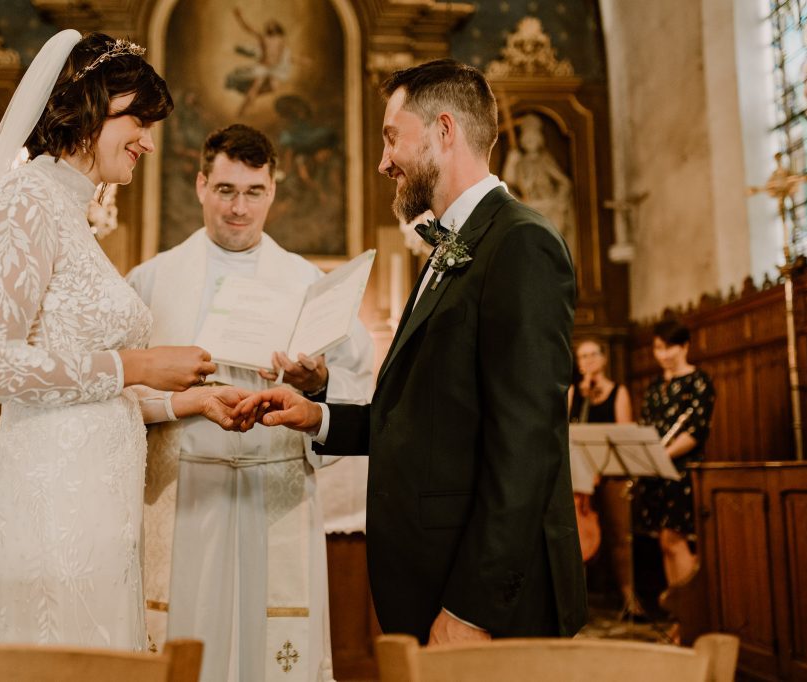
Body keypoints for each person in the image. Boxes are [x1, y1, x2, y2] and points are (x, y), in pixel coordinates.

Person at [0, 31, 247, 649]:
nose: (148, 140)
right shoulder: (26, 199)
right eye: (136, 119)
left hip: (96, 512)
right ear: (85, 108)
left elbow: (86, 382)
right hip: (52, 510)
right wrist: (138, 362)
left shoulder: (70, 215)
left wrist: (188, 399)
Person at [236, 59, 587, 644]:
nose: (383, 160)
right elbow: (426, 419)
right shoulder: (448, 248)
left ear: (444, 131)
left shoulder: (521, 244)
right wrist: (318, 416)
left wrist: (473, 609)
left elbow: (527, 445)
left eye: (391, 137)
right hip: (434, 577)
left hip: (487, 602)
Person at [126, 124, 373, 681]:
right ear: (200, 186)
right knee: (192, 646)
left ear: (273, 191)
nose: (239, 208)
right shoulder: (152, 281)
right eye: (225, 190)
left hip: (275, 491)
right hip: (186, 493)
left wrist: (317, 381)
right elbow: (117, 385)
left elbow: (358, 379)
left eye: (254, 192)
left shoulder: (309, 284)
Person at [636, 319, 715, 591]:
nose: (664, 354)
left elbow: (695, 431)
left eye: (670, 347)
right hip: (656, 472)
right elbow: (646, 427)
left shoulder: (699, 380)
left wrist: (662, 455)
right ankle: (677, 615)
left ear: (685, 346)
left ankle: (691, 616)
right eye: (659, 348)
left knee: (675, 539)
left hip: (682, 471)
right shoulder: (655, 387)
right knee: (664, 541)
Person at [567, 339, 641, 616]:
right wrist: (581, 397)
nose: (587, 361)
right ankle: (576, 600)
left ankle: (628, 598)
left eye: (592, 355)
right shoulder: (575, 393)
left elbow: (624, 435)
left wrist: (600, 470)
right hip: (579, 475)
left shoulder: (617, 392)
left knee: (620, 535)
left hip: (610, 473)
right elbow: (566, 429)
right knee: (574, 536)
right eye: (582, 357)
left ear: (603, 358)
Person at [501, 113, 576, 262]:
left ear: (539, 139)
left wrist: (559, 200)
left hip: (548, 206)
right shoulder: (519, 162)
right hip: (528, 206)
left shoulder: (545, 159)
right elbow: (507, 183)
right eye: (527, 139)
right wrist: (511, 160)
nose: (530, 142)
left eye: (533, 138)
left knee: (551, 239)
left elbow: (564, 182)